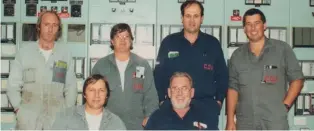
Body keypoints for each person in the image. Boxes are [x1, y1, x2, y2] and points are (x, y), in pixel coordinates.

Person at [226, 8, 304, 130]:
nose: (253, 28)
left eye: (257, 23)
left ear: (264, 25)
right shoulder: (237, 56)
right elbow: (232, 89)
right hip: (246, 122)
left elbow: (297, 80)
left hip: (275, 122)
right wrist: (230, 120)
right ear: (244, 29)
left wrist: (285, 106)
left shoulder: (282, 49)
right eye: (249, 24)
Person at [153, 0, 228, 124]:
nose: (192, 20)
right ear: (182, 18)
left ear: (202, 18)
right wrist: (162, 100)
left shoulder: (212, 44)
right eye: (188, 16)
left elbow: (222, 76)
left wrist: (218, 102)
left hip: (206, 109)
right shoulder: (169, 42)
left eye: (196, 16)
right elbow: (158, 75)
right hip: (174, 108)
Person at [6, 11, 77, 130]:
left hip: (57, 118)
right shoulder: (24, 53)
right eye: (47, 24)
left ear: (58, 29)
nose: (50, 29)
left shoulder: (65, 54)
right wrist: (19, 109)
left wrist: (67, 112)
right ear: (39, 26)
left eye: (54, 25)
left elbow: (71, 86)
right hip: (28, 118)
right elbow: (12, 86)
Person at [91, 23, 159, 129]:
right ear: (112, 41)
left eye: (126, 36)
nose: (123, 40)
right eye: (118, 36)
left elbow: (151, 95)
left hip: (137, 124)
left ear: (131, 40)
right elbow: (91, 95)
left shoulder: (142, 65)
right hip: (108, 124)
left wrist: (150, 116)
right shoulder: (101, 66)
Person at [145, 72, 218, 130]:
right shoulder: (156, 118)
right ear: (169, 92)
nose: (180, 93)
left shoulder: (207, 116)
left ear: (192, 92)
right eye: (175, 88)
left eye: (184, 88)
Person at [51, 74, 126, 130]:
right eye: (92, 90)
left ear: (107, 95)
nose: (96, 95)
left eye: (101, 90)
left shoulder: (116, 123)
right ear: (84, 94)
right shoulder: (66, 117)